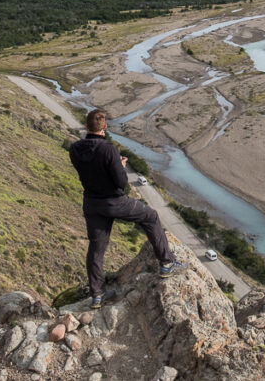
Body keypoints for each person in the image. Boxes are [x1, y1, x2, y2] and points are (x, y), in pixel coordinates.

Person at [69, 108, 188, 308]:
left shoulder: (75, 149)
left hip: (92, 203)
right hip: (114, 202)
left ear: (87, 126)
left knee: (96, 249)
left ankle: (97, 295)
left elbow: (90, 170)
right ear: (104, 128)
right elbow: (121, 182)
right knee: (150, 216)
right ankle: (166, 263)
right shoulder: (108, 150)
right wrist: (120, 165)